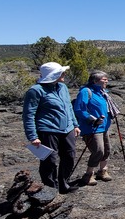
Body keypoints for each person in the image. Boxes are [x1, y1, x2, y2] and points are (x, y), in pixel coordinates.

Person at [22, 62, 81, 193]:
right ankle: (50, 190)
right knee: (50, 160)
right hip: (48, 130)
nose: (64, 74)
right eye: (61, 72)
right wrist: (33, 136)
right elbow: (28, 115)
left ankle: (63, 183)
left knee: (70, 156)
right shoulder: (36, 91)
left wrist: (75, 124)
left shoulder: (63, 87)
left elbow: (69, 107)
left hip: (68, 129)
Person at [73, 70, 114, 185]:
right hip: (91, 127)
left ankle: (102, 171)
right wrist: (92, 119)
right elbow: (79, 109)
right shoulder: (86, 92)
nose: (106, 81)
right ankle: (88, 175)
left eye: (106, 79)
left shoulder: (103, 92)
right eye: (104, 79)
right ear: (95, 81)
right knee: (98, 150)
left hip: (104, 126)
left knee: (107, 150)